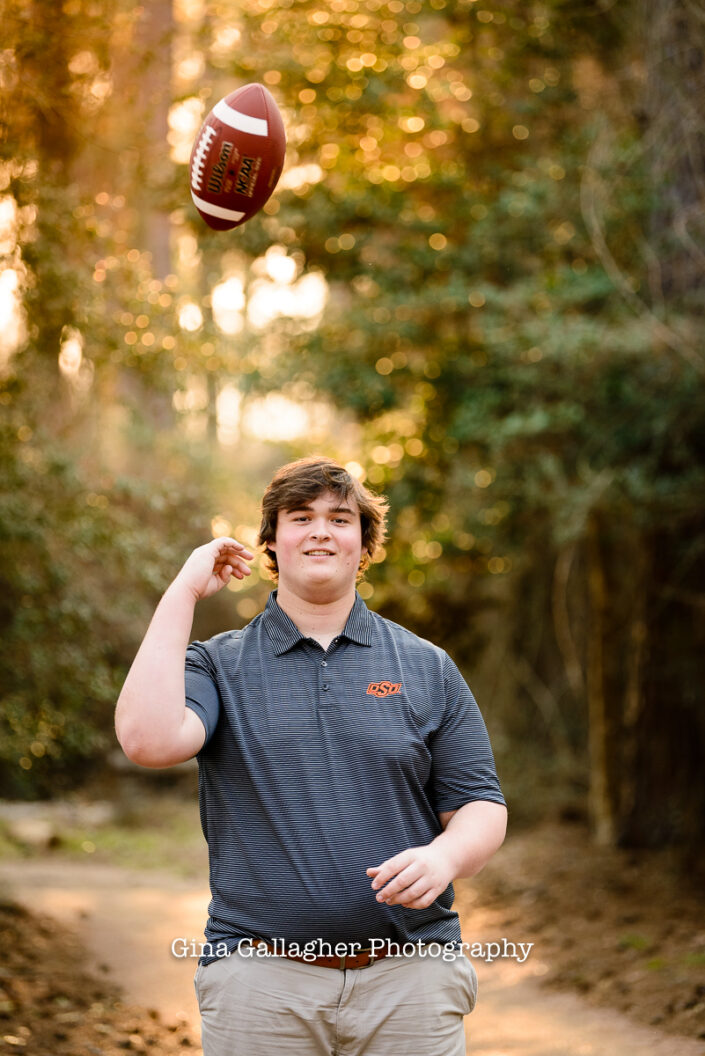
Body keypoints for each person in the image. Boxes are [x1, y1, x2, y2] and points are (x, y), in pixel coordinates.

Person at [115, 455, 507, 1056]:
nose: (321, 530)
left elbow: (480, 803)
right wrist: (185, 588)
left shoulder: (427, 665)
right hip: (259, 982)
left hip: (413, 978)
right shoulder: (217, 664)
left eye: (340, 518)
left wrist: (445, 857)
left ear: (363, 543)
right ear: (272, 541)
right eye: (301, 517)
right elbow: (149, 740)